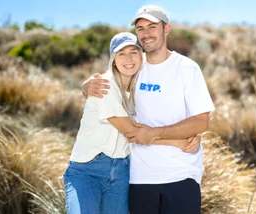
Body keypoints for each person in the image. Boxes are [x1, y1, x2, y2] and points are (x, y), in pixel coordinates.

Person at [82, 5, 215, 214]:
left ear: (166, 29)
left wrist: (156, 133)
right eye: (140, 29)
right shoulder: (133, 66)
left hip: (181, 175)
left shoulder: (187, 68)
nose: (146, 34)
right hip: (138, 178)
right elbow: (107, 85)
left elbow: (201, 122)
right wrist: (87, 86)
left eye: (152, 27)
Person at [63, 32, 200, 214]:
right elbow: (131, 131)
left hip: (122, 174)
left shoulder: (141, 89)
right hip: (88, 172)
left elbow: (165, 115)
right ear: (113, 59)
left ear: (141, 57)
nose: (128, 59)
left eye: (133, 52)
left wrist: (193, 134)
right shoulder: (104, 85)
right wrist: (178, 141)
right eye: (121, 53)